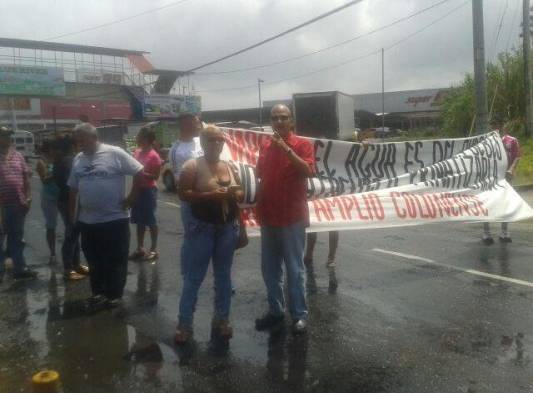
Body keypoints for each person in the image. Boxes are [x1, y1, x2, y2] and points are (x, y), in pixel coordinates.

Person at [175, 125, 243, 344]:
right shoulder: (192, 165)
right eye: (212, 141)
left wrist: (237, 196)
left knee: (223, 277)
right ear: (203, 143)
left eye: (220, 141)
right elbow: (183, 194)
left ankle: (222, 320)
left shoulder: (228, 166)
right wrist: (210, 195)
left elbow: (238, 196)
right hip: (202, 228)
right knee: (194, 278)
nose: (217, 144)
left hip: (227, 229)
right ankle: (184, 325)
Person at [254, 104, 315, 335]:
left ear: (291, 121)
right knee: (269, 270)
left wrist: (286, 149)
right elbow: (260, 174)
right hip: (268, 216)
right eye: (275, 118)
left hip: (292, 218)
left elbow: (308, 171)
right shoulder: (265, 145)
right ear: (271, 122)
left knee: (295, 270)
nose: (279, 121)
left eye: (284, 117)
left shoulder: (302, 144)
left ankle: (299, 315)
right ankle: (276, 310)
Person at [68, 123, 143, 308]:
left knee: (115, 260)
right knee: (94, 260)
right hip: (87, 221)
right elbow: (73, 188)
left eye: (82, 140)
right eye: (77, 141)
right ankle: (98, 293)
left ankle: (114, 295)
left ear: (94, 138)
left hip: (115, 219)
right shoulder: (78, 159)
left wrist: (132, 197)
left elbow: (139, 171)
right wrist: (72, 215)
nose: (79, 144)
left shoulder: (114, 153)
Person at [0, 126, 37, 282]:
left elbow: (26, 178)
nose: (7, 138)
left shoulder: (18, 156)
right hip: (0, 208)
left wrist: (28, 198)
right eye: (4, 135)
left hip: (18, 205)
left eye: (9, 135)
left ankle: (19, 269)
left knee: (17, 238)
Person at [168, 112, 203, 274]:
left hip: (209, 199)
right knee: (191, 237)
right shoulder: (176, 149)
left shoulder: (201, 142)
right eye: (196, 122)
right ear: (185, 125)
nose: (199, 125)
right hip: (190, 203)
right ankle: (187, 273)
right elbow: (178, 182)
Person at [53, 135, 88, 281]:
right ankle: (68, 268)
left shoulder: (62, 159)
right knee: (71, 233)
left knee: (74, 232)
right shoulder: (70, 161)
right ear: (72, 146)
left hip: (65, 199)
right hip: (69, 201)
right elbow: (71, 185)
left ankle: (76, 264)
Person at [483, 121, 521, 245]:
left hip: (506, 177)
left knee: (505, 203)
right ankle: (486, 233)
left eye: (498, 125)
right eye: (493, 126)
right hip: (490, 178)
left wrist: (511, 169)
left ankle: (504, 232)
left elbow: (517, 156)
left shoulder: (512, 141)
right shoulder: (486, 142)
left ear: (504, 126)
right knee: (488, 203)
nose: (496, 128)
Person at [129, 125, 163, 261]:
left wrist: (142, 173)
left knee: (150, 219)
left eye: (140, 137)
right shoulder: (137, 152)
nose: (137, 139)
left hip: (148, 191)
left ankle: (154, 249)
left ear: (147, 139)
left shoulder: (154, 156)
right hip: (137, 189)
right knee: (139, 220)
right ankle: (140, 248)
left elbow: (155, 176)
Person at [36, 140, 60, 264]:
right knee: (51, 225)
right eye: (53, 148)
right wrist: (56, 173)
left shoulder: (59, 159)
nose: (56, 150)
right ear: (48, 149)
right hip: (49, 197)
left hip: (63, 195)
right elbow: (44, 180)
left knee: (71, 223)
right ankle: (52, 253)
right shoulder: (41, 162)